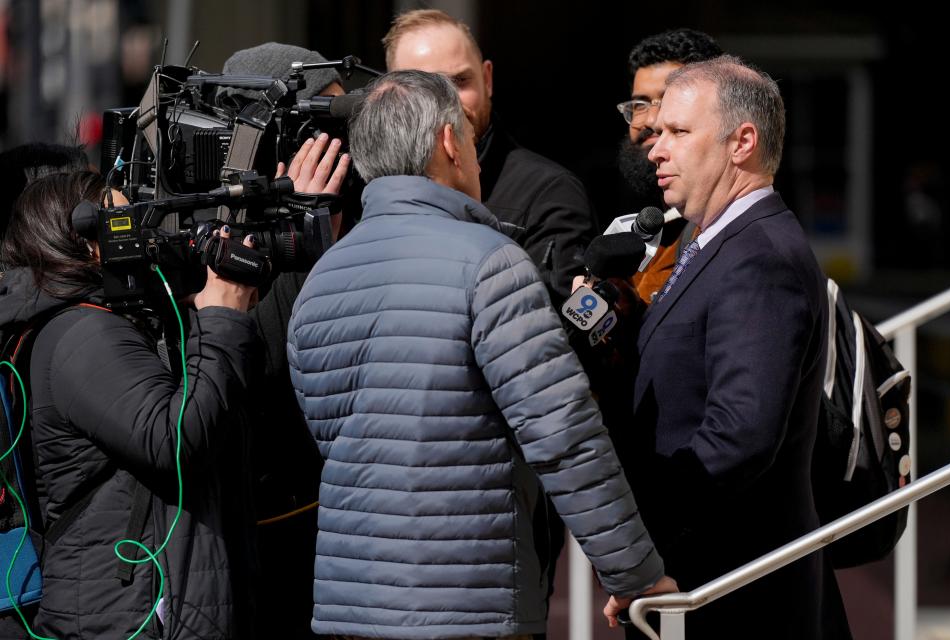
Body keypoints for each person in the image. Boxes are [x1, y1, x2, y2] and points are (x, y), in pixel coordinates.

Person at [288, 69, 675, 639]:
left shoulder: (320, 279)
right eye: (468, 139)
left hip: (352, 606)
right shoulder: (491, 262)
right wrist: (635, 574)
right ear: (449, 142)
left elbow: (334, 440)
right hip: (471, 601)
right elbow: (564, 435)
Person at [627, 55, 850, 638]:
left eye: (678, 131)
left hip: (733, 591)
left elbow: (738, 437)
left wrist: (641, 548)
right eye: (656, 131)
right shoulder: (719, 240)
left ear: (741, 143)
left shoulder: (759, 256)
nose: (656, 147)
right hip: (707, 579)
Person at [0, 171, 262, 638]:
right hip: (127, 610)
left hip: (131, 602)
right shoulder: (83, 335)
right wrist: (222, 318)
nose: (143, 235)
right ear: (83, 242)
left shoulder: (94, 325)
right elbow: (176, 439)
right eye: (124, 221)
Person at [219, 41, 353, 640]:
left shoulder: (362, 205)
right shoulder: (215, 225)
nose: (344, 139)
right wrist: (296, 234)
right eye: (325, 120)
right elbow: (274, 360)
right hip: (272, 526)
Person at [383, 9, 597, 308]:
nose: (450, 101)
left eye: (460, 80)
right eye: (426, 86)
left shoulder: (548, 193)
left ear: (487, 79)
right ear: (391, 96)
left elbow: (549, 330)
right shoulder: (372, 193)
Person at [616, 28, 722, 304]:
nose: (650, 119)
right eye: (639, 104)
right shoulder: (624, 231)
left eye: (667, 100)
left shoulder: (726, 233)